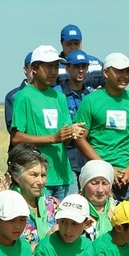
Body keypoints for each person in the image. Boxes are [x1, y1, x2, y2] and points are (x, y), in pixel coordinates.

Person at [11, 45, 81, 199]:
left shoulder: (59, 97)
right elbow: (16, 138)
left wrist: (72, 132)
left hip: (63, 176)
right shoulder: (23, 97)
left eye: (56, 67)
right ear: (34, 68)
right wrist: (53, 138)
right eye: (49, 67)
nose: (53, 72)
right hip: (37, 178)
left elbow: (64, 134)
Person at [74, 52, 129, 201]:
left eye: (128, 72)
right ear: (106, 73)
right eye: (120, 71)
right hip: (98, 176)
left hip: (126, 177)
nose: (125, 76)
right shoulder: (90, 100)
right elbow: (81, 139)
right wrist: (106, 168)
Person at [7, 144, 57, 249]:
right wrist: (45, 244)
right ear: (16, 176)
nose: (40, 181)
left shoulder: (54, 205)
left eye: (43, 175)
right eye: (33, 175)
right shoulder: (7, 208)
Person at [57, 49, 93, 182]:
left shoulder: (91, 96)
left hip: (88, 159)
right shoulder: (57, 95)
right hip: (66, 160)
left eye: (84, 66)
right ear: (67, 68)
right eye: (76, 66)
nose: (81, 70)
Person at [78, 160, 117, 239]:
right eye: (94, 183)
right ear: (84, 185)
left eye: (105, 183)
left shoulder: (119, 210)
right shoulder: (73, 210)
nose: (100, 190)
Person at [57, 24, 104, 89]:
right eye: (69, 44)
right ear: (62, 43)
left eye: (76, 43)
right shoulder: (55, 67)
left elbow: (109, 86)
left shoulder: (96, 64)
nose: (73, 47)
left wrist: (99, 93)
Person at [4, 52, 34, 134]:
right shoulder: (12, 96)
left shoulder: (54, 94)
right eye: (33, 66)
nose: (36, 70)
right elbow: (12, 128)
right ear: (25, 70)